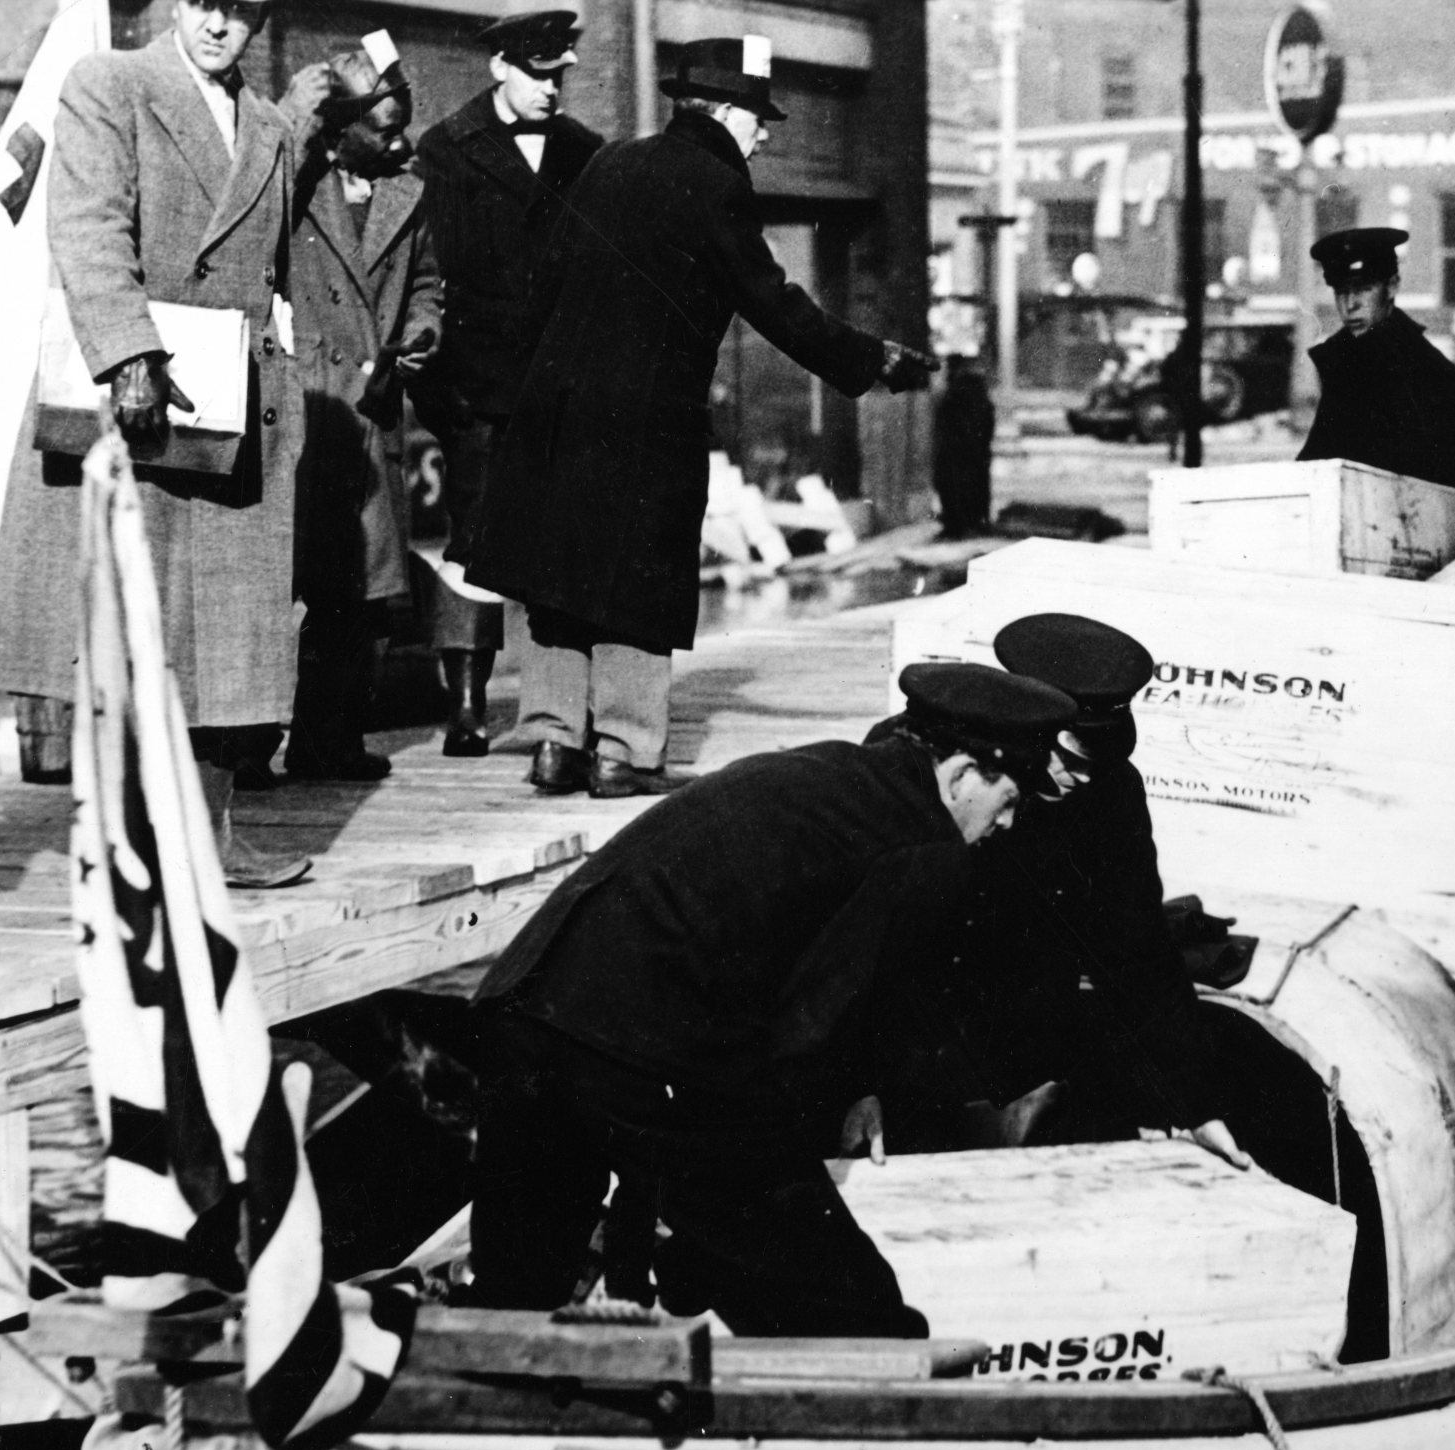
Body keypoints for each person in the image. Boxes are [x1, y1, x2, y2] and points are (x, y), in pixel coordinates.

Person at [467, 661, 1078, 1333]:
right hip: (650, 1044)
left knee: (513, 1298)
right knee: (848, 1314)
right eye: (1009, 800)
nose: (1008, 824)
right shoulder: (923, 846)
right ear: (962, 775)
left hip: (529, 1000)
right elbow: (808, 1031)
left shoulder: (834, 772)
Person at [464, 37, 937, 799]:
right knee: (633, 579)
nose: (766, 133)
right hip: (644, 420)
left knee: (559, 574)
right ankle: (623, 752)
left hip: (555, 409)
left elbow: (542, 283)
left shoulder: (608, 162)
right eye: (758, 117)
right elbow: (773, 303)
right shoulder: (714, 182)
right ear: (722, 111)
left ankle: (554, 742)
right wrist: (869, 360)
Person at [0, 0, 328, 885]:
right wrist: (128, 349)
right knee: (128, 631)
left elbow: (273, 265)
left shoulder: (270, 127)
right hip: (134, 400)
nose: (220, 26)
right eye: (205, 3)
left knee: (231, 642)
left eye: (242, 10)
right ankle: (132, 853)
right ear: (177, 2)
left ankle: (207, 844)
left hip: (231, 407)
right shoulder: (111, 85)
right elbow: (88, 225)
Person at [866, 613, 1247, 1171]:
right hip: (908, 1051)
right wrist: (860, 1082)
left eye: (1101, 760)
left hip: (1025, 1057)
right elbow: (862, 946)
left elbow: (1136, 949)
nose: (1086, 778)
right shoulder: (920, 752)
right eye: (1071, 759)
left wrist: (1197, 1106)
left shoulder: (1109, 791)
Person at [412, 8, 602, 767]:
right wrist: (446, 392)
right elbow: (429, 274)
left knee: (560, 545)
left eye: (559, 76)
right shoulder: (447, 151)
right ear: (499, 68)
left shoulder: (586, 153)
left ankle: (558, 717)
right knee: (472, 544)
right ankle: (466, 707)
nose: (550, 90)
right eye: (536, 74)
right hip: (478, 389)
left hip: (559, 389)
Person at [284, 42, 439, 784]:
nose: (401, 141)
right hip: (302, 413)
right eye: (383, 128)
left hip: (373, 416)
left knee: (361, 595)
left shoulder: (410, 195)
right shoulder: (291, 187)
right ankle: (246, 748)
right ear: (338, 129)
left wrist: (418, 334)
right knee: (283, 587)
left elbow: (428, 285)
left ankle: (330, 741)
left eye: (402, 124)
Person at [1295, 226, 1455, 492]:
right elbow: (1319, 455)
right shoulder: (1340, 364)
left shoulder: (1430, 370)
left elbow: (1452, 483)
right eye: (1341, 292)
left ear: (1391, 287)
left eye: (1363, 288)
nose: (1350, 304)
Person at [933, 352, 995, 538]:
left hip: (956, 450)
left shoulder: (955, 391)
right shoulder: (978, 390)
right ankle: (976, 521)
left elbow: (948, 422)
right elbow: (987, 420)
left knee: (953, 487)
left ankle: (957, 525)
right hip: (977, 450)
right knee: (976, 486)